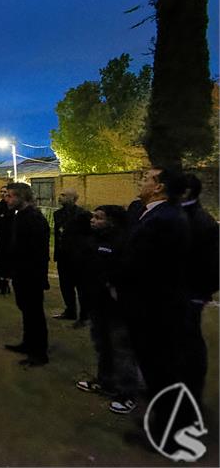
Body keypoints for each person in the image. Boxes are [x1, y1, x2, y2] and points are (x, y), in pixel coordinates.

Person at [119, 167, 192, 439]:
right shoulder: (156, 214)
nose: (141, 182)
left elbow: (146, 264)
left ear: (159, 187)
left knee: (161, 369)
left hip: (154, 306)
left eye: (146, 179)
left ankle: (168, 433)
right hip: (152, 303)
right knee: (156, 368)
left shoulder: (164, 218)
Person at [75, 205, 140, 415]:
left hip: (116, 306)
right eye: (93, 216)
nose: (93, 220)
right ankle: (105, 381)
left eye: (99, 217)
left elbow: (125, 271)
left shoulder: (124, 241)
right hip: (98, 302)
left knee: (121, 348)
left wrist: (113, 286)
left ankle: (127, 393)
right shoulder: (95, 239)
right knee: (102, 344)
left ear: (112, 221)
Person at [179, 174, 218, 406]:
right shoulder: (180, 215)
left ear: (185, 192)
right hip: (176, 293)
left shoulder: (201, 222)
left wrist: (197, 295)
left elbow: (212, 266)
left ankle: (191, 396)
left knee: (188, 344)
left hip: (188, 295)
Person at [2, 182, 51, 366]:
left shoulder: (33, 218)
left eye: (10, 196)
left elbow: (37, 252)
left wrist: (35, 275)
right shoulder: (20, 215)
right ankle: (28, 343)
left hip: (31, 274)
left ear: (21, 197)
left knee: (34, 313)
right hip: (21, 272)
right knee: (27, 310)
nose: (6, 199)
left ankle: (39, 352)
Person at [52, 189, 92, 324]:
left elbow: (89, 234)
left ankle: (84, 315)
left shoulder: (83, 214)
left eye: (64, 195)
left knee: (81, 286)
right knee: (65, 285)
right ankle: (70, 310)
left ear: (73, 198)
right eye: (60, 194)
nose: (60, 197)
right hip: (63, 256)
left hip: (78, 257)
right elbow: (58, 235)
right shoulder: (57, 214)